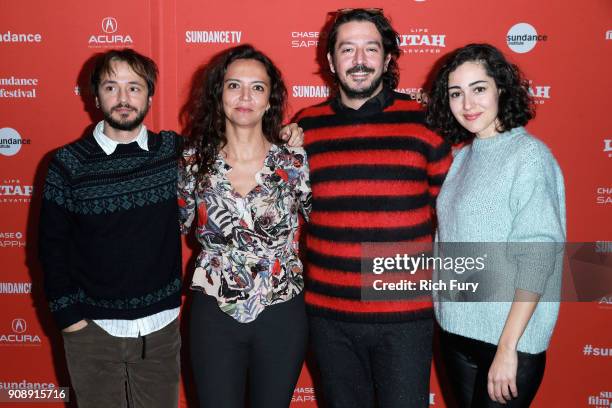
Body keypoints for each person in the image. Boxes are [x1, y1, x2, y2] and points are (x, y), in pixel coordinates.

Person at [294, 9, 451, 408]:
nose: (359, 60)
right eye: (347, 49)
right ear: (331, 61)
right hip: (329, 318)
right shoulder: (305, 128)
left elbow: (454, 215)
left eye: (370, 48)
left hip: (405, 319)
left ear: (387, 58)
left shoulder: (424, 124)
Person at [39, 49, 182, 408]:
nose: (123, 99)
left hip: (161, 331)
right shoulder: (67, 164)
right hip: (93, 331)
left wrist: (289, 132)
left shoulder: (172, 150)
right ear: (95, 96)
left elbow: (236, 141)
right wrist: (70, 319)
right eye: (111, 87)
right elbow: (50, 247)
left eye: (134, 88)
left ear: (149, 95)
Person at [426, 43, 566, 407]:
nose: (467, 104)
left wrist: (508, 348)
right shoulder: (462, 159)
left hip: (507, 343)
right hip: (455, 335)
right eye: (456, 93)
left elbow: (538, 258)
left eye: (479, 89)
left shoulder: (529, 157)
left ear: (501, 89)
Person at [178, 44, 311, 408]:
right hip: (213, 312)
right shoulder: (193, 161)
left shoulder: (295, 159)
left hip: (282, 309)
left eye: (257, 87)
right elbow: (168, 226)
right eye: (234, 85)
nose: (245, 97)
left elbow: (328, 223)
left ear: (271, 99)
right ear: (218, 93)